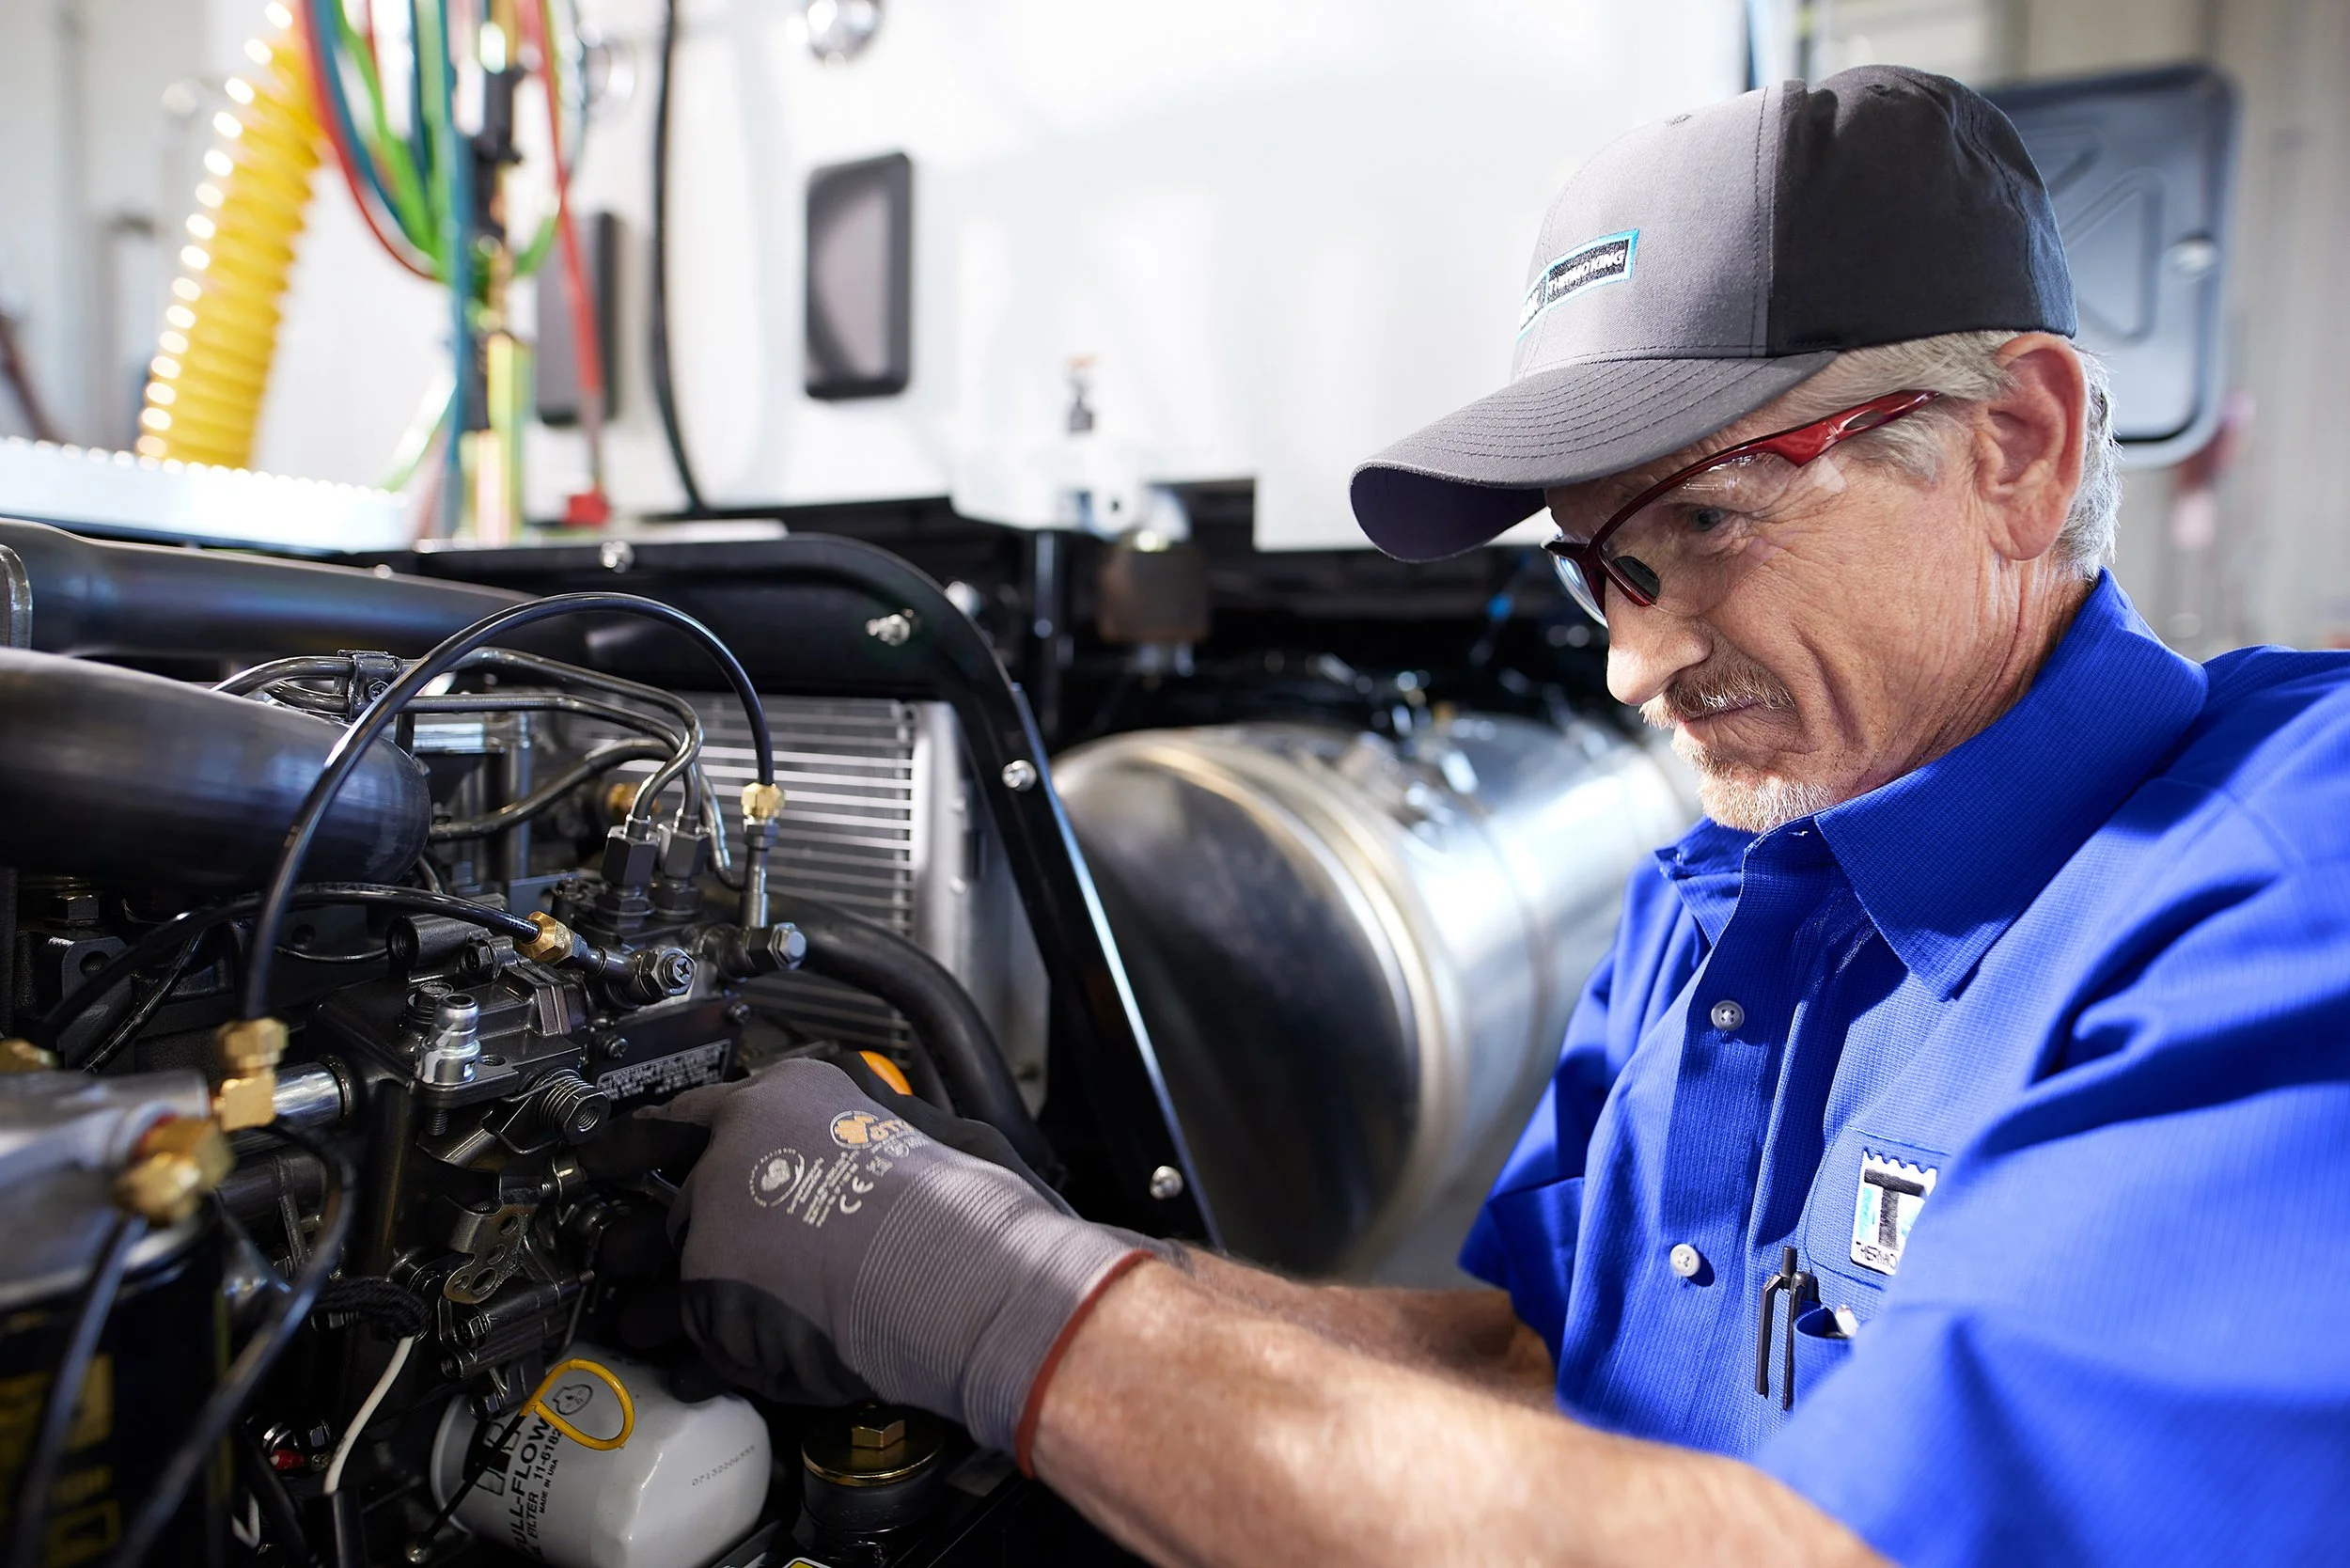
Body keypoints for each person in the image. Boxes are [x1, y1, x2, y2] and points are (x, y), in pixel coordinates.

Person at [638, 66, 2350, 1565]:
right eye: (1601, 570)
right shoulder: (1728, 887)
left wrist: (992, 1308)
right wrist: (992, 1233)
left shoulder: (2280, 883)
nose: (1632, 667)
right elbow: (1532, 1368)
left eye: (1706, 525)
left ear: (2019, 451)